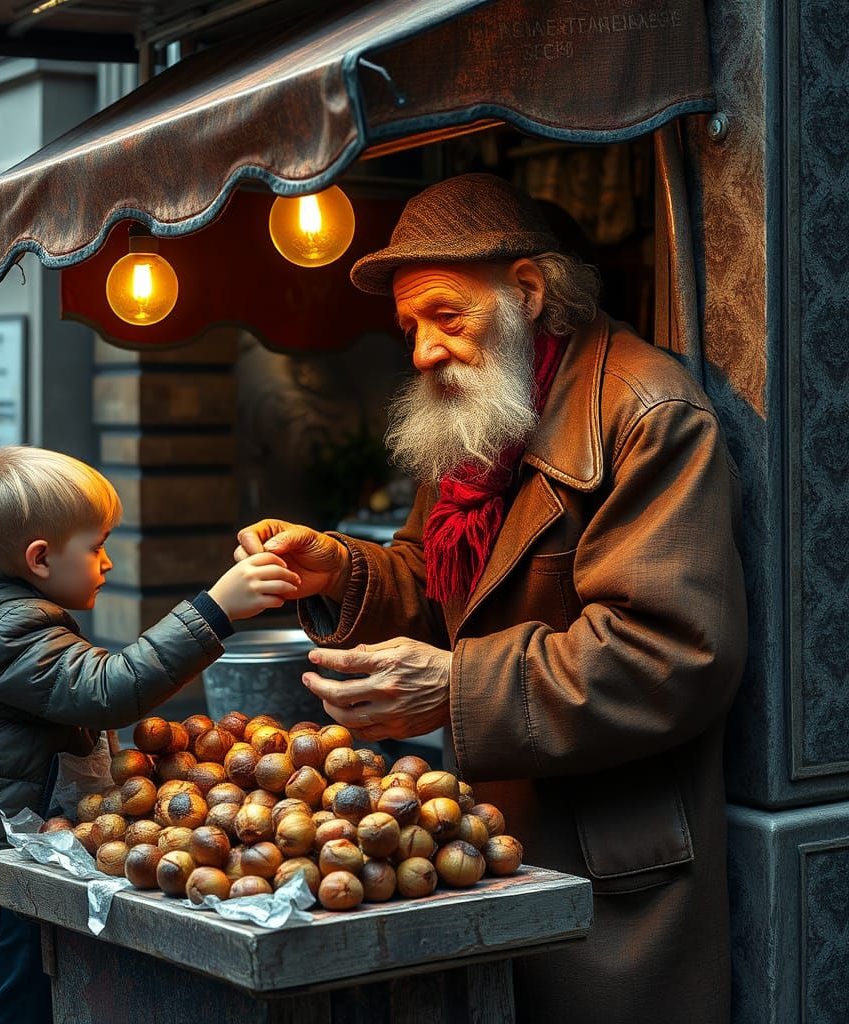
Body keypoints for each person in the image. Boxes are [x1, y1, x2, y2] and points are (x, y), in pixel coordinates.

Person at [236, 174, 747, 1024]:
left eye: (446, 316)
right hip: (487, 840)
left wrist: (451, 688)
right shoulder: (478, 419)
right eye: (409, 329)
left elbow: (670, 653)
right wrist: (341, 569)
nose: (423, 352)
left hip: (608, 862)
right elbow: (438, 591)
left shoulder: (647, 411)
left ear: (528, 293)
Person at [0, 445, 299, 1024]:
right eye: (96, 547)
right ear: (39, 559)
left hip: (34, 851)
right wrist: (214, 611)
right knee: (12, 1005)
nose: (107, 562)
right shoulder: (5, 629)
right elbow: (107, 689)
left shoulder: (10, 613)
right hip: (8, 865)